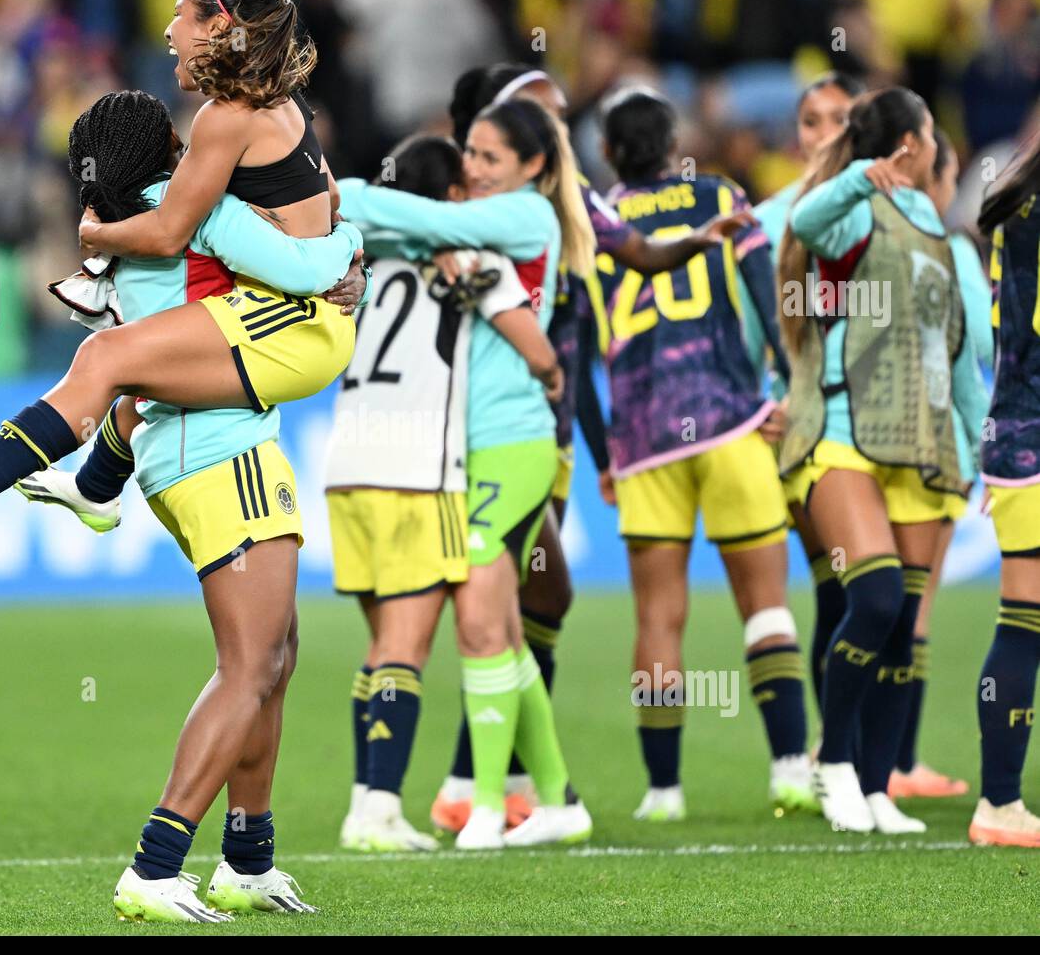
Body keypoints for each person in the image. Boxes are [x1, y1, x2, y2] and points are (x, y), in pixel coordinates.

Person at [0, 0, 363, 547]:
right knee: (139, 375)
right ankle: (96, 487)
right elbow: (331, 197)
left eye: (180, 15)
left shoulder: (223, 119)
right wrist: (349, 260)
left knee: (105, 356)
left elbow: (168, 233)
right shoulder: (285, 105)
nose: (169, 31)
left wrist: (94, 235)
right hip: (313, 320)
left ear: (214, 29)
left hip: (293, 323)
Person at [35, 91, 341, 922]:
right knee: (250, 667)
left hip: (204, 444)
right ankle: (155, 865)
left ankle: (246, 860)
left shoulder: (141, 222)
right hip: (215, 448)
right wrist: (339, 250)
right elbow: (307, 261)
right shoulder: (187, 212)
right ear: (166, 146)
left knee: (274, 659)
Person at [426, 63, 755, 833]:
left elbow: (638, 253)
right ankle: (481, 786)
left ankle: (513, 786)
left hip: (551, 435)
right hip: (484, 429)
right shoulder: (469, 210)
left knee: (530, 598)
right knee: (504, 602)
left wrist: (693, 243)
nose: (559, 123)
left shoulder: (572, 210)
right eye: (543, 112)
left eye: (563, 113)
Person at [336, 97, 595, 848]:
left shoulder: (523, 220)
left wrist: (342, 195)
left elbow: (421, 221)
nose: (474, 169)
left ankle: (484, 808)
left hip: (508, 440)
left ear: (533, 167)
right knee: (502, 630)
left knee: (480, 624)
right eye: (468, 156)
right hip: (452, 448)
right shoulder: (460, 236)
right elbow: (409, 226)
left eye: (487, 157)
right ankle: (558, 800)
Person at [591, 87, 810, 822]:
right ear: (673, 140)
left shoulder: (596, 219)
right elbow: (764, 286)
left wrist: (603, 450)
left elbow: (576, 336)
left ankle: (663, 790)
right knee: (765, 604)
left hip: (645, 438)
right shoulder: (716, 194)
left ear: (611, 151)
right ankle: (787, 769)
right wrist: (784, 381)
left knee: (659, 616)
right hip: (731, 420)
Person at [778, 86, 982, 834]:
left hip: (922, 442)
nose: (935, 140)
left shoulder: (941, 231)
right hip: (844, 427)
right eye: (930, 129)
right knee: (874, 598)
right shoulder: (858, 206)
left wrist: (978, 446)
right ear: (913, 144)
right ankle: (832, 762)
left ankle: (876, 788)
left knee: (902, 629)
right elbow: (805, 221)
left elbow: (954, 350)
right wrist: (860, 175)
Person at [755, 73, 865, 730]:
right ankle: (841, 754)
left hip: (884, 424)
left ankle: (886, 759)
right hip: (808, 426)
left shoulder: (885, 211)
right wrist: (763, 398)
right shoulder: (771, 220)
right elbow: (744, 325)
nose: (822, 134)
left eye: (838, 119)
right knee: (841, 586)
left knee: (888, 593)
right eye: (810, 120)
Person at [886, 128, 991, 800]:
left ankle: (842, 748)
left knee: (865, 597)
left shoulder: (872, 236)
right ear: (942, 181)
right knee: (914, 608)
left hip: (867, 435)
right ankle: (898, 762)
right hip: (936, 442)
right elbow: (978, 340)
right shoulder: (953, 247)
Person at [969, 131, 1040, 847]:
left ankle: (1000, 803)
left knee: (1022, 619)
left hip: (1016, 433)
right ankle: (998, 805)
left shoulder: (1015, 208)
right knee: (1024, 622)